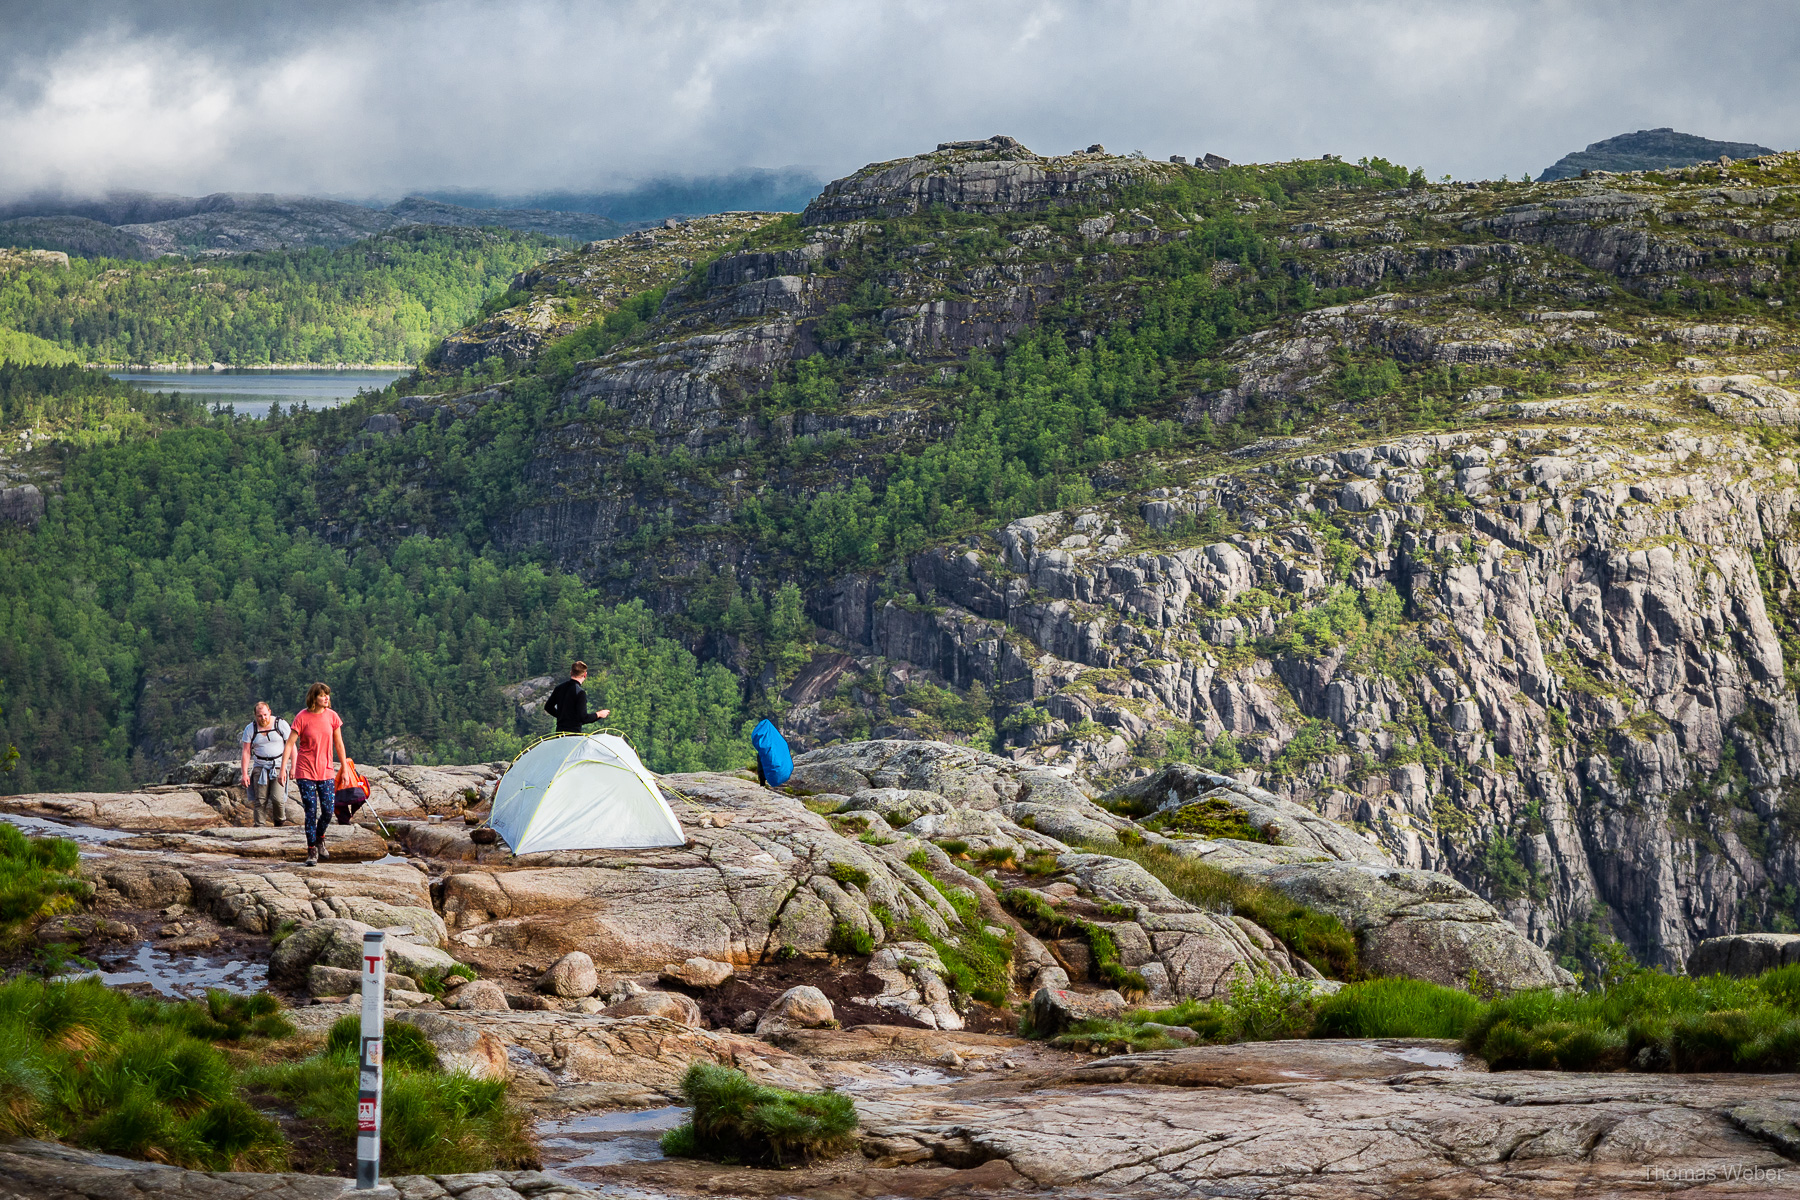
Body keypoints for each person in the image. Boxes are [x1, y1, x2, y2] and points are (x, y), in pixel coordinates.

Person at [283, 682, 347, 866]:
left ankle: (320, 837)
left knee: (328, 810)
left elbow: (339, 744)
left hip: (326, 770)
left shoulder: (333, 717)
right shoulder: (302, 717)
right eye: (322, 695)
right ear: (314, 698)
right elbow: (290, 744)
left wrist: (344, 768)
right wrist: (284, 768)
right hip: (305, 770)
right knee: (310, 810)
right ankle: (311, 850)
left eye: (327, 694)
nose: (326, 698)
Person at [239, 701, 290, 827]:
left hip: (278, 766)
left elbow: (291, 746)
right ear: (255, 716)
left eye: (265, 715)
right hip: (260, 767)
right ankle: (260, 826)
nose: (263, 718)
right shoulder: (250, 729)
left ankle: (279, 821)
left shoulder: (280, 724)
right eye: (260, 716)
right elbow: (246, 752)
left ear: (270, 712)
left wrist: (293, 767)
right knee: (260, 800)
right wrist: (244, 774)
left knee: (277, 799)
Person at [544, 661, 611, 735]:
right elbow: (584, 718)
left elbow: (548, 707)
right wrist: (599, 714)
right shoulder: (580, 693)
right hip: (573, 735)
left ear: (571, 672)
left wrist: (561, 716)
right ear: (585, 675)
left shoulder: (559, 688)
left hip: (559, 733)